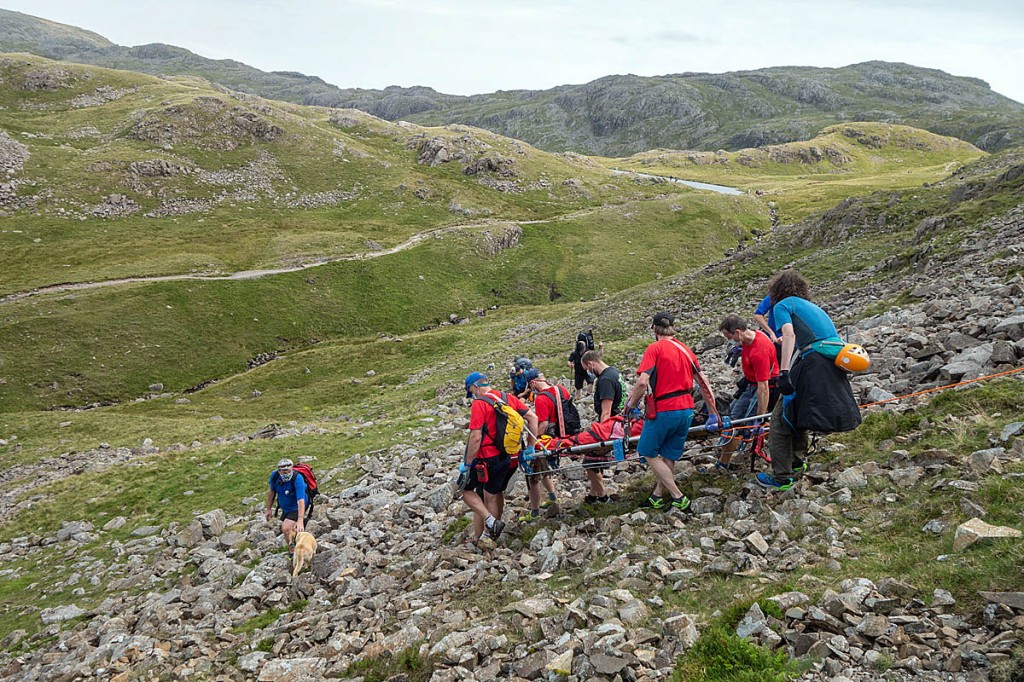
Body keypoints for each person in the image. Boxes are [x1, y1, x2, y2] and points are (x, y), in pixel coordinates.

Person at [758, 270, 861, 490]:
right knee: (798, 411)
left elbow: (788, 334)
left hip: (813, 361)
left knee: (781, 417)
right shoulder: (813, 307)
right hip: (831, 360)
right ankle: (797, 464)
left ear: (777, 291)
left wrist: (784, 371)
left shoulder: (784, 305)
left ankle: (781, 477)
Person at [624, 312, 720, 511]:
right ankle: (657, 496)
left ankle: (678, 496)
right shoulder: (685, 349)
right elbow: (704, 382)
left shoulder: (655, 349)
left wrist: (631, 406)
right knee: (668, 454)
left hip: (665, 409)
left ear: (654, 328)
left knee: (647, 451)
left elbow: (643, 382)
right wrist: (713, 412)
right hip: (687, 408)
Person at [462, 371, 539, 543]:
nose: (473, 396)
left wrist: (467, 464)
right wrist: (531, 447)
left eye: (472, 392)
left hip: (488, 457)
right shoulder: (506, 397)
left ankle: (490, 528)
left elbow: (476, 437)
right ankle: (489, 535)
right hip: (509, 455)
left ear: (475, 387)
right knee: (495, 493)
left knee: (468, 491)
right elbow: (532, 418)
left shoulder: (479, 404)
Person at [709, 314, 780, 472]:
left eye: (730, 337)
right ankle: (725, 461)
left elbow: (764, 387)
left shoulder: (759, 351)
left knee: (743, 425)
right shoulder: (752, 337)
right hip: (750, 384)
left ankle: (733, 460)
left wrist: (759, 419)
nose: (730, 341)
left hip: (761, 387)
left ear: (738, 332)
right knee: (732, 419)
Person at [521, 369, 570, 520]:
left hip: (546, 440)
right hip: (563, 435)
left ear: (533, 383)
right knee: (543, 469)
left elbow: (542, 423)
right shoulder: (561, 389)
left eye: (531, 387)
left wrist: (531, 441)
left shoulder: (541, 399)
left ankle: (535, 512)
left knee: (532, 474)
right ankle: (553, 497)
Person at [580, 349, 627, 502]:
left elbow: (606, 412)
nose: (589, 372)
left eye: (587, 369)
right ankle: (593, 496)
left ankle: (603, 496)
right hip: (620, 422)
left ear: (591, 363)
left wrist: (600, 435)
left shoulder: (605, 380)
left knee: (589, 461)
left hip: (611, 426)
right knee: (594, 462)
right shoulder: (614, 372)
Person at [265, 458, 308, 549]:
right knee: (290, 529)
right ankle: (295, 546)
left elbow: (301, 500)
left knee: (286, 528)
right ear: (279, 471)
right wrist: (269, 509)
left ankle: (293, 551)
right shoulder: (275, 476)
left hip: (297, 507)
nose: (287, 474)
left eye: (289, 471)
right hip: (286, 507)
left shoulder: (297, 478)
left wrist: (300, 519)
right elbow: (272, 492)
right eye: (284, 472)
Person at [567, 331, 601, 401]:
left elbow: (598, 356)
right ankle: (578, 398)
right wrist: (571, 364)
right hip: (578, 371)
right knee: (578, 386)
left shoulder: (588, 352)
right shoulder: (575, 353)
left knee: (590, 382)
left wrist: (600, 347)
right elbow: (569, 361)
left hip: (587, 370)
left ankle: (588, 395)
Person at [753, 294, 783, 363]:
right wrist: (771, 333)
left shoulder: (797, 299)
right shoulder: (774, 295)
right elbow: (758, 315)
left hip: (791, 342)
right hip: (774, 341)